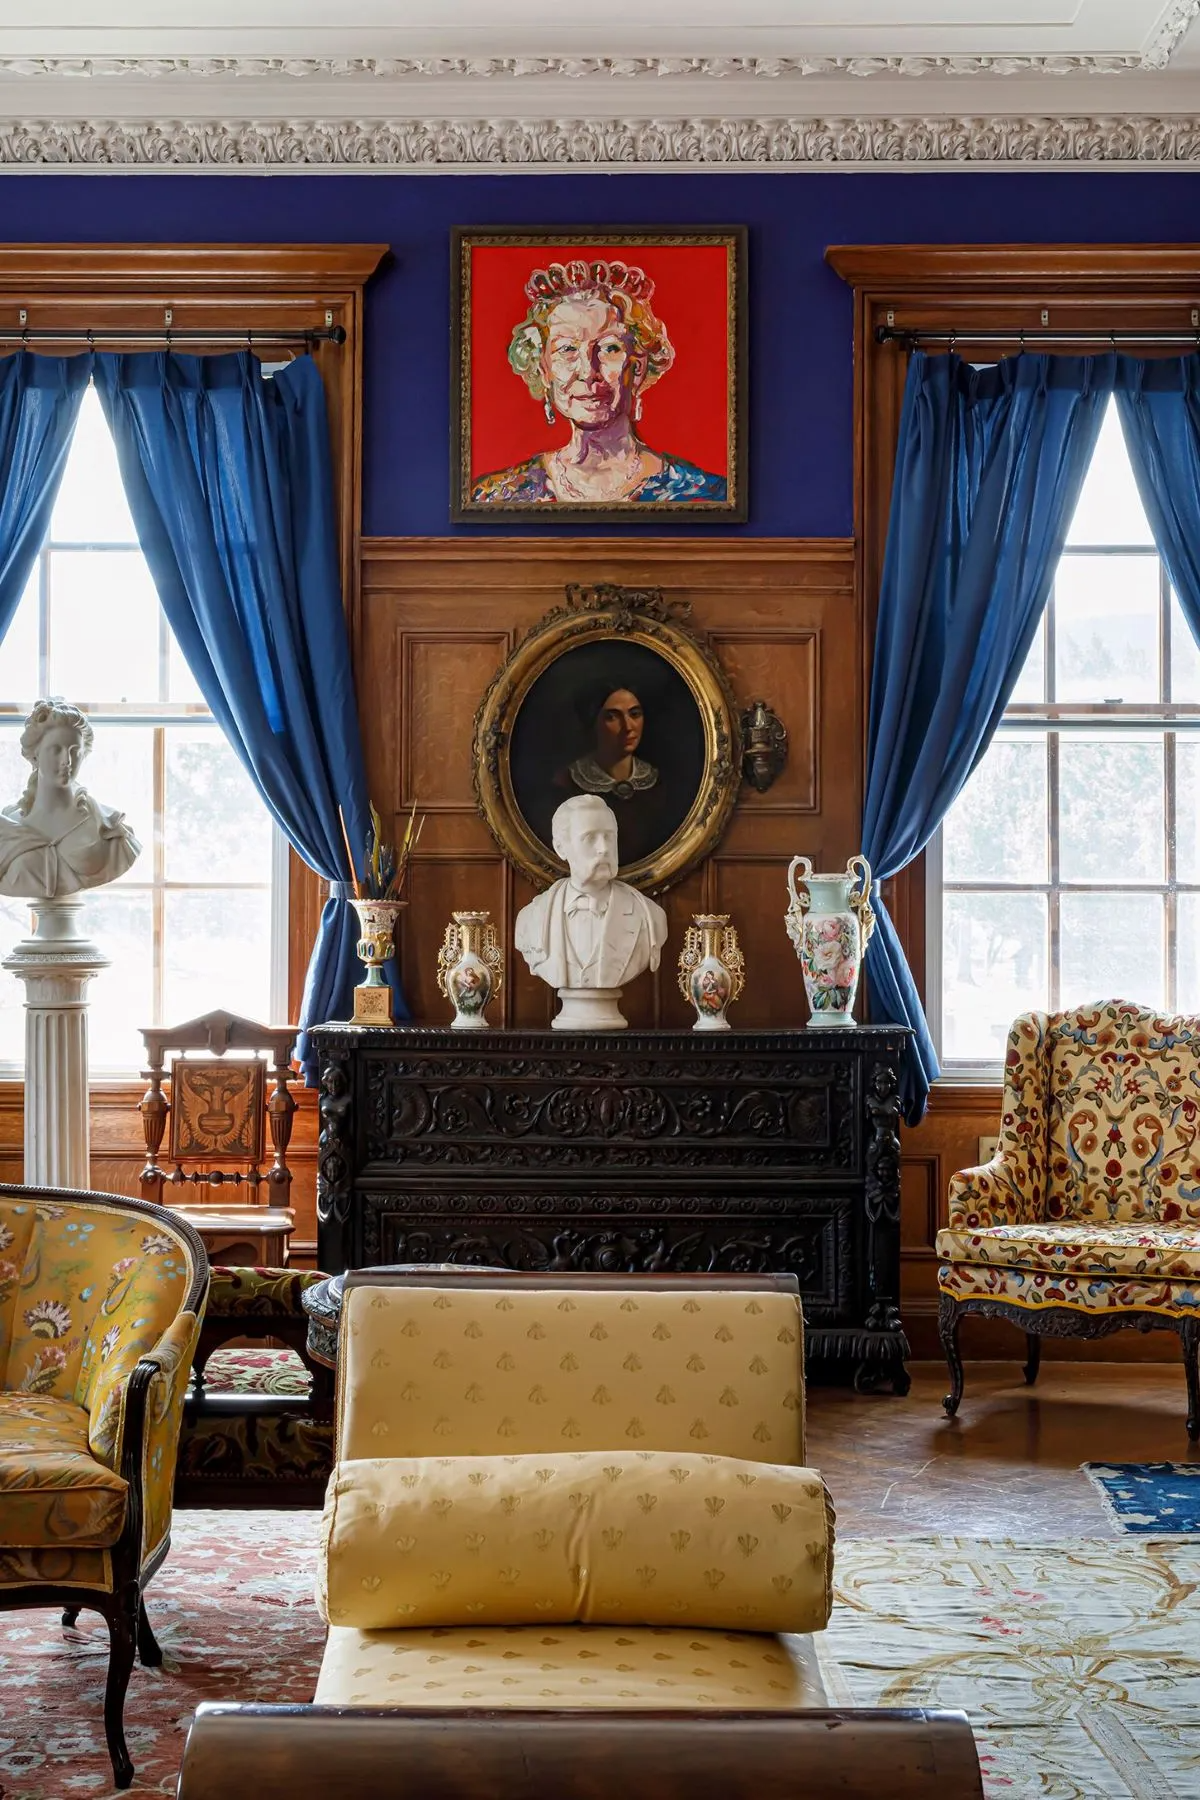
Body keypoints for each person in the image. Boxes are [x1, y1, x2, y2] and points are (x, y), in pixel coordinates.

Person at [472, 260, 727, 506]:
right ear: (544, 370)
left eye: (609, 348)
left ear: (637, 368)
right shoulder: (495, 496)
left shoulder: (705, 496)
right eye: (567, 349)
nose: (588, 371)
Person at [514, 795, 668, 1013]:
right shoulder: (530, 919)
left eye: (609, 837)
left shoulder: (650, 918)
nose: (604, 848)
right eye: (589, 838)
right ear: (561, 848)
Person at [0, 698, 142, 899]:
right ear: (35, 755)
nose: (66, 760)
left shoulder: (109, 829)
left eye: (75, 751)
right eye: (56, 750)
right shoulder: (7, 827)